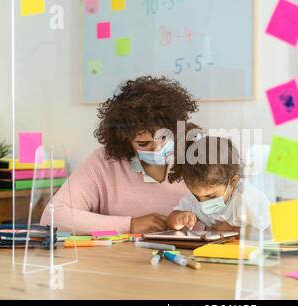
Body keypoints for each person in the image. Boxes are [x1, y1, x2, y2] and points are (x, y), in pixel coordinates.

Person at [40, 76, 198, 235]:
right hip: (121, 258)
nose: (157, 150)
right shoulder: (104, 162)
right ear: (125, 140)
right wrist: (130, 225)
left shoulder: (196, 156)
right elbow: (51, 217)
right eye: (143, 144)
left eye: (164, 138)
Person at [167, 136, 271, 239]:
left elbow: (272, 234)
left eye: (211, 196)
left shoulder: (248, 198)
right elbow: (171, 221)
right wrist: (179, 219)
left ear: (233, 182)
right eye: (196, 196)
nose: (202, 204)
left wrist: (233, 231)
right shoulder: (195, 199)